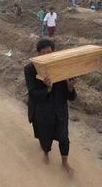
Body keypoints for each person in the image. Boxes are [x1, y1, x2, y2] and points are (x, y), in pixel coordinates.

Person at [24, 39, 77, 176]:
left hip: (60, 110)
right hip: (43, 111)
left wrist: (70, 87)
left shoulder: (61, 67)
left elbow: (70, 97)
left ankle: (65, 161)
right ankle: (46, 152)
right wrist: (48, 88)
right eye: (43, 52)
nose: (47, 55)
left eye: (49, 52)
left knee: (64, 138)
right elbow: (33, 94)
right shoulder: (30, 69)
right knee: (45, 136)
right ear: (38, 54)